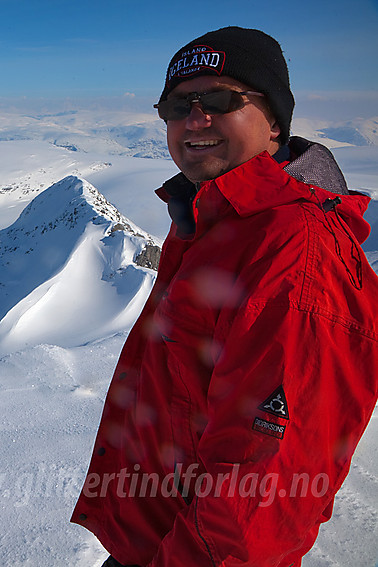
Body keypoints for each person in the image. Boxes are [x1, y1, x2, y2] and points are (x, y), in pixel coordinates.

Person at [71, 26, 378, 566]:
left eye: (220, 99)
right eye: (175, 105)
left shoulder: (293, 251)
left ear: (275, 122)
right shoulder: (212, 219)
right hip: (162, 537)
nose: (194, 119)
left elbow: (269, 489)